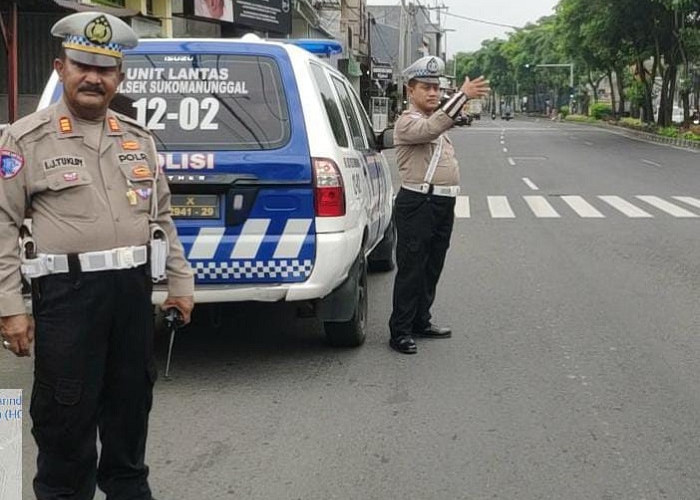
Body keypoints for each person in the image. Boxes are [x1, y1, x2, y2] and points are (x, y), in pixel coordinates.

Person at [0, 11, 194, 499]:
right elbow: (1, 224)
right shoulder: (24, 140)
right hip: (67, 297)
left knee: (130, 414)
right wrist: (10, 308)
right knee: (66, 423)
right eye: (82, 65)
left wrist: (180, 284)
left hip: (130, 294)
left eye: (105, 69)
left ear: (119, 78)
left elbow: (162, 220)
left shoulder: (138, 140)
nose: (93, 77)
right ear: (59, 67)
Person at [388, 56, 489, 354]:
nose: (433, 93)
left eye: (436, 88)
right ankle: (400, 331)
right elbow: (432, 127)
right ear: (410, 90)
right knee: (412, 267)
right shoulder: (407, 122)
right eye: (426, 88)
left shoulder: (436, 122)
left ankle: (421, 320)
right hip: (418, 202)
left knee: (432, 265)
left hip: (442, 203)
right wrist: (462, 96)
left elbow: (442, 123)